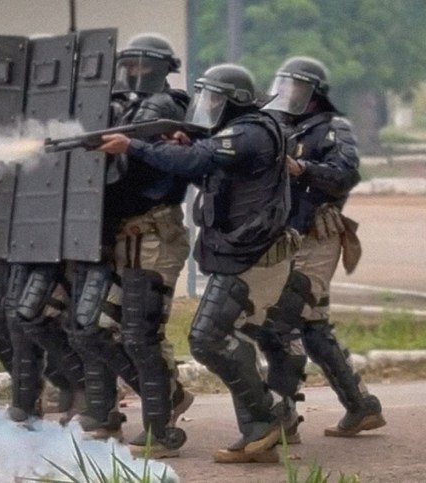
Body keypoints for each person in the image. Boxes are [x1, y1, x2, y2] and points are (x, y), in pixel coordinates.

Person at [98, 63, 299, 463]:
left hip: (254, 256)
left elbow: (196, 163)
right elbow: (204, 165)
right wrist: (182, 143)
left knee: (210, 338)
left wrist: (134, 147)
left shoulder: (251, 132)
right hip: (244, 253)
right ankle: (266, 425)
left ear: (235, 102)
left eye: (214, 99)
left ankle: (267, 419)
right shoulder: (238, 133)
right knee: (221, 336)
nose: (206, 106)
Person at [66, 33, 194, 458]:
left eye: (144, 64)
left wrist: (131, 146)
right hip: (118, 237)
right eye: (130, 63)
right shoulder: (122, 108)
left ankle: (161, 427)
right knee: (90, 329)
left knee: (141, 334)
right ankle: (154, 400)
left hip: (154, 236)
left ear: (162, 67)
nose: (135, 71)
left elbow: (149, 170)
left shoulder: (170, 108)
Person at [261, 56, 385, 438]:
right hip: (286, 238)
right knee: (312, 327)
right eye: (284, 84)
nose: (286, 93)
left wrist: (304, 169)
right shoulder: (277, 125)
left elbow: (346, 174)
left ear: (314, 93)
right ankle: (361, 405)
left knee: (281, 322)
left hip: (318, 237)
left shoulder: (334, 128)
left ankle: (280, 416)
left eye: (295, 86)